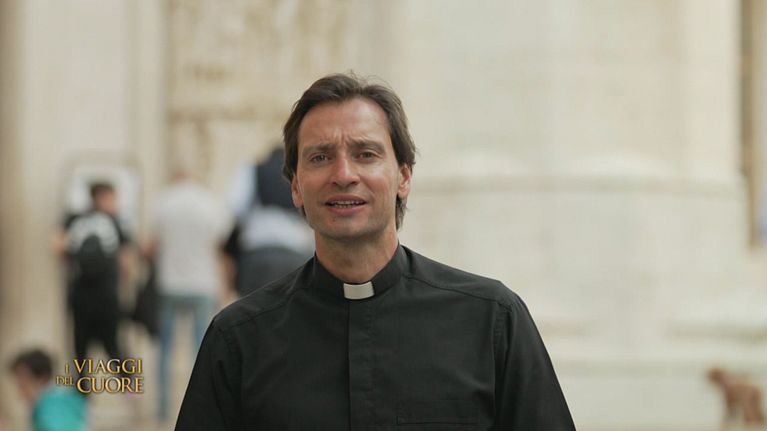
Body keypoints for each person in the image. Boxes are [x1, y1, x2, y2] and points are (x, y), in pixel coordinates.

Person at [176, 73, 576, 430]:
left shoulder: (492, 320)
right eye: (320, 157)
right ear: (296, 187)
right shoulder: (238, 340)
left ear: (403, 177)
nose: (344, 174)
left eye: (366, 154)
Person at [145, 167, 231, 421]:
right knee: (202, 350)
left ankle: (162, 409)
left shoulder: (163, 202)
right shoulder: (210, 203)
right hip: (202, 283)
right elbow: (220, 248)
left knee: (164, 349)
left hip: (170, 283)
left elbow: (151, 246)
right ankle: (201, 409)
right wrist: (224, 285)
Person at [54, 181, 131, 384]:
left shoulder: (74, 219)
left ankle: (82, 397)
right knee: (114, 349)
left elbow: (58, 247)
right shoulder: (114, 222)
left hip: (81, 294)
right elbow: (126, 260)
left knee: (81, 352)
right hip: (106, 295)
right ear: (101, 197)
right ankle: (130, 391)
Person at [224, 147, 314, 297]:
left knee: (254, 308)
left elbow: (236, 207)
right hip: (296, 253)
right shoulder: (300, 174)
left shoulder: (253, 169)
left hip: (259, 255)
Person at [9, 349, 87, 431]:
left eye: (23, 380)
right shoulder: (67, 397)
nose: (20, 387)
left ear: (41, 378)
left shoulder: (49, 405)